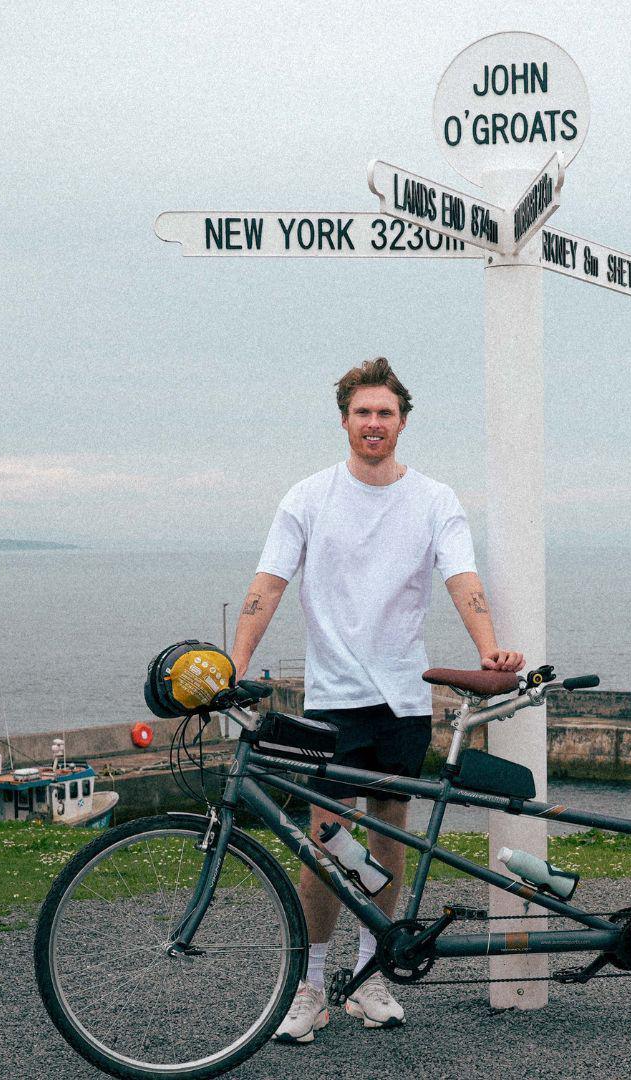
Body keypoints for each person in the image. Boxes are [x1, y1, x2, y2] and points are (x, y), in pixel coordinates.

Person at [229, 356, 524, 1045]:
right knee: (325, 842)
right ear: (344, 421)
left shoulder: (433, 499)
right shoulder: (307, 497)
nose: (373, 423)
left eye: (385, 413)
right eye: (362, 412)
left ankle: (369, 976)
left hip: (404, 696)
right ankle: (311, 986)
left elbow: (463, 578)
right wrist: (236, 663)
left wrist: (489, 645)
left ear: (402, 422)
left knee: (389, 836)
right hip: (333, 699)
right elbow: (268, 584)